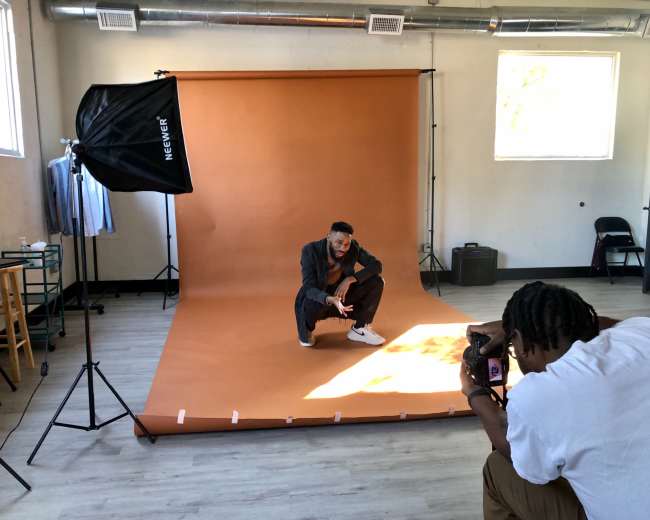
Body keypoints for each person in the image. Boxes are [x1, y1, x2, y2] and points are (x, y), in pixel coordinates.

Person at [460, 281, 650, 520]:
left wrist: (474, 393)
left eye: (512, 345)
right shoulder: (642, 331)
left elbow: (524, 463)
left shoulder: (538, 394)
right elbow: (615, 326)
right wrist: (534, 328)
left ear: (518, 340)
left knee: (498, 468)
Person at [295, 221, 385, 347]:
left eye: (346, 244)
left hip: (342, 296)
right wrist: (329, 299)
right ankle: (307, 329)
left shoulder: (353, 248)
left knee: (377, 282)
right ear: (329, 237)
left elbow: (376, 265)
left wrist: (350, 279)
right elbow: (309, 288)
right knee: (309, 298)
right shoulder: (310, 250)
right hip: (319, 299)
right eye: (339, 242)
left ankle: (359, 329)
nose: (343, 248)